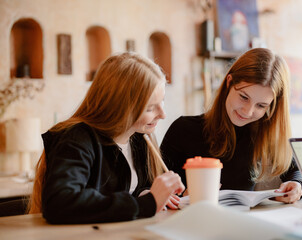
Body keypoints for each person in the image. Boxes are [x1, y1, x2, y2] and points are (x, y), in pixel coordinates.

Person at [27, 52, 185, 224]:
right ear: (120, 107)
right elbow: (60, 203)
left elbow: (128, 193)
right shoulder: (76, 139)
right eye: (150, 108)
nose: (163, 115)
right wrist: (147, 203)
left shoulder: (140, 137)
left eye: (162, 101)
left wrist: (144, 194)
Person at [161, 48, 302, 204]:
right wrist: (182, 195)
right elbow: (152, 186)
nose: (248, 111)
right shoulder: (183, 130)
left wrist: (298, 185)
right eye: (244, 97)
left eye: (261, 106)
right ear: (229, 82)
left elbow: (295, 170)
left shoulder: (263, 133)